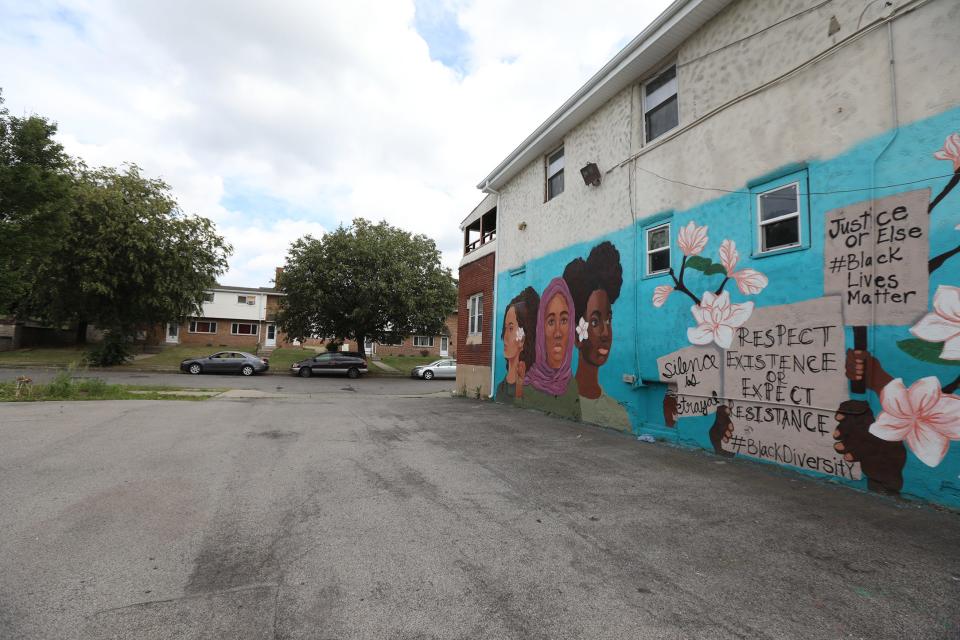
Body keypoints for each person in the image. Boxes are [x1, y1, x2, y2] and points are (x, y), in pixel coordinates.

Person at [562, 241, 631, 430]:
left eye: (608, 320)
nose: (606, 333)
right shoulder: (558, 400)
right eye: (594, 322)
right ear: (576, 334)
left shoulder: (619, 415)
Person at [522, 277, 580, 419]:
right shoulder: (528, 387)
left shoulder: (573, 388)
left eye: (564, 320)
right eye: (551, 321)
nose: (558, 333)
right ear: (541, 329)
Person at [496, 287, 538, 404]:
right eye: (505, 328)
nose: (505, 337)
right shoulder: (500, 389)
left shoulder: (532, 387)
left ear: (522, 338)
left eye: (511, 328)